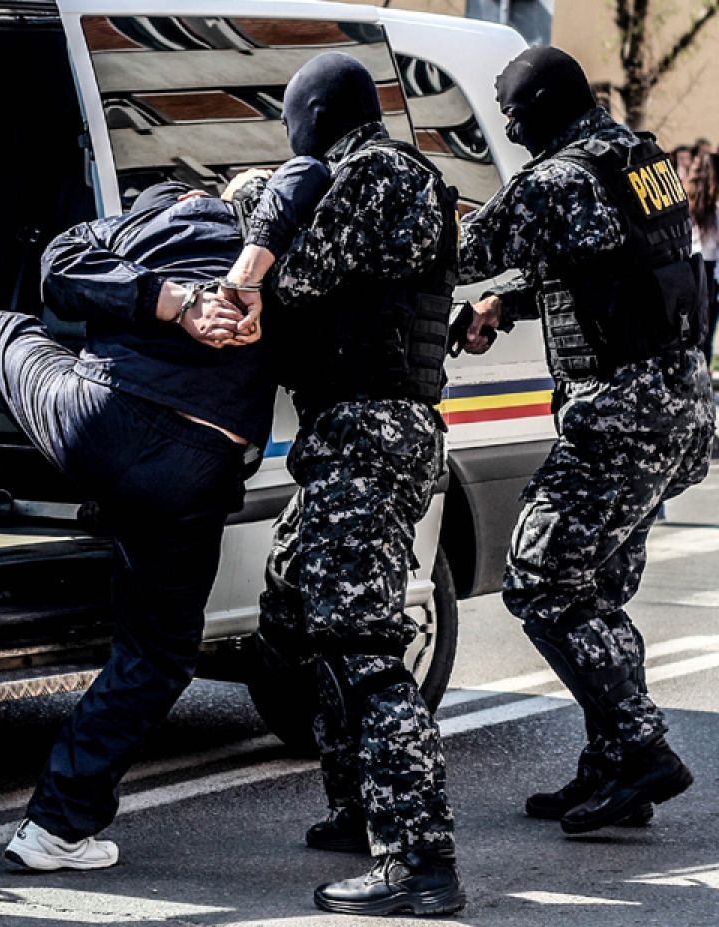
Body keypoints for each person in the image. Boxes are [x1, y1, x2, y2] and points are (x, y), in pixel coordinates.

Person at [0, 182, 276, 871]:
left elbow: (58, 272)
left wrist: (166, 299)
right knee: (157, 655)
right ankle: (55, 827)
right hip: (192, 468)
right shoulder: (278, 265)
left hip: (99, 421)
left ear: (174, 200)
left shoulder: (132, 229)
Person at [223, 52, 464, 917]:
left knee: (361, 647)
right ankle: (359, 801)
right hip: (362, 435)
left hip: (367, 433)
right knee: (293, 604)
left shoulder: (371, 175)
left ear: (317, 117)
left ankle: (419, 860)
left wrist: (253, 201)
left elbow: (296, 278)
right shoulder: (398, 177)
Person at [457, 47, 714, 836]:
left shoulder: (556, 179)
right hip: (677, 405)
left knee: (540, 581)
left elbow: (457, 254)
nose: (508, 129)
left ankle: (641, 748)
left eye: (512, 114)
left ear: (540, 107)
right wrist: (507, 301)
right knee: (594, 593)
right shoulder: (637, 158)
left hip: (620, 417)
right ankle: (611, 767)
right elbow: (609, 267)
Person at [685, 151, 719, 363]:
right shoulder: (716, 211)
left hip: (689, 269)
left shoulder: (685, 207)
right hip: (710, 270)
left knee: (691, 330)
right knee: (707, 332)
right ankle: (704, 370)